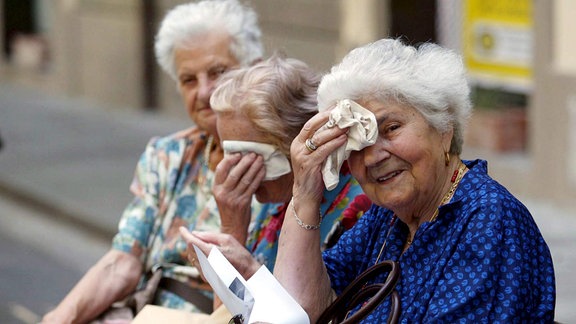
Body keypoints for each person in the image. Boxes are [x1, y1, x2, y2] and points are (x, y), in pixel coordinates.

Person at [273, 38, 556, 323]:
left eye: (391, 128)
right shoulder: (386, 219)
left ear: (444, 128)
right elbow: (300, 311)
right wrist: (305, 194)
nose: (372, 158)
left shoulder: (489, 219)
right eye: (355, 144)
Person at [41, 0, 263, 322]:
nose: (204, 92)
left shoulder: (275, 172)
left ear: (254, 69)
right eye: (189, 79)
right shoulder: (167, 156)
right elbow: (124, 261)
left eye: (218, 72)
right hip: (144, 309)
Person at [180, 54, 369, 286]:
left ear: (300, 139)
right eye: (226, 152)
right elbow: (229, 317)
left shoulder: (359, 209)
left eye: (248, 156)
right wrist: (232, 229)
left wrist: (246, 267)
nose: (231, 168)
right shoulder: (271, 198)